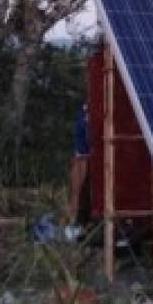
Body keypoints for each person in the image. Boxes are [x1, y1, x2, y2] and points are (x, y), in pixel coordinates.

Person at [65, 100, 91, 240]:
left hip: (95, 157)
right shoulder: (82, 113)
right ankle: (75, 222)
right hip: (83, 157)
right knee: (78, 189)